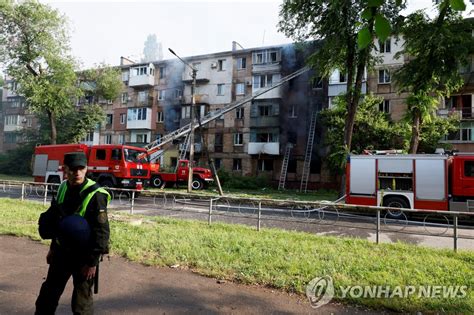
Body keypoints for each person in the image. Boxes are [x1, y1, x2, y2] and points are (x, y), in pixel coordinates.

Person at [35, 152, 110, 315]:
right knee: (48, 295)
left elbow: (102, 232)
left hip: (84, 257)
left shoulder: (96, 194)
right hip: (61, 252)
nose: (77, 173)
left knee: (81, 303)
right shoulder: (62, 187)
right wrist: (53, 247)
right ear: (65, 169)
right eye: (73, 169)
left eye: (81, 169)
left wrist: (92, 262)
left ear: (86, 169)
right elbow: (58, 221)